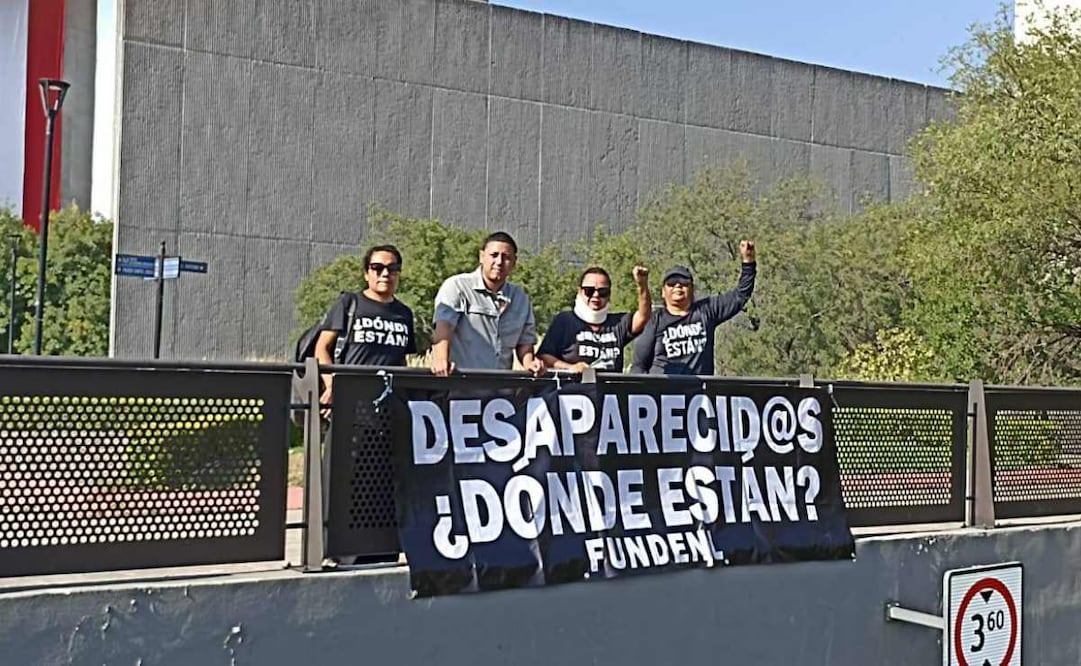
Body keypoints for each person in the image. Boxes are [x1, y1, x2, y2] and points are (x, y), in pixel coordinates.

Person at [315, 244, 417, 411]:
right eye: (377, 268)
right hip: (349, 400)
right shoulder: (349, 303)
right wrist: (332, 385)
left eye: (392, 268)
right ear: (366, 274)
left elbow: (402, 360)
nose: (385, 273)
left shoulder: (404, 313)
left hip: (389, 405)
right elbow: (322, 347)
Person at [631, 240, 756, 375]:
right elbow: (639, 366)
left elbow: (740, 295)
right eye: (671, 283)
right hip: (663, 387)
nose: (678, 286)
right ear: (663, 292)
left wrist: (748, 261)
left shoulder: (706, 311)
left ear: (692, 289)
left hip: (700, 389)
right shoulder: (654, 321)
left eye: (684, 282)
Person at [431, 231, 544, 376]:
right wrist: (441, 359)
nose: (499, 262)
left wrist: (530, 363)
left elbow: (525, 343)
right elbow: (444, 326)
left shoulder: (520, 298)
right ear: (482, 256)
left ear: (514, 262)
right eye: (494, 255)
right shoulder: (457, 287)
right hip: (461, 382)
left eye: (506, 257)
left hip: (501, 385)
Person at [538, 265, 651, 372]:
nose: (596, 295)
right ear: (580, 291)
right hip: (573, 385)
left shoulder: (619, 322)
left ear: (609, 294)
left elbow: (643, 316)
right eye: (589, 291)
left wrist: (642, 285)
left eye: (602, 292)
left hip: (609, 386)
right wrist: (571, 368)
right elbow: (544, 356)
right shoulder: (564, 320)